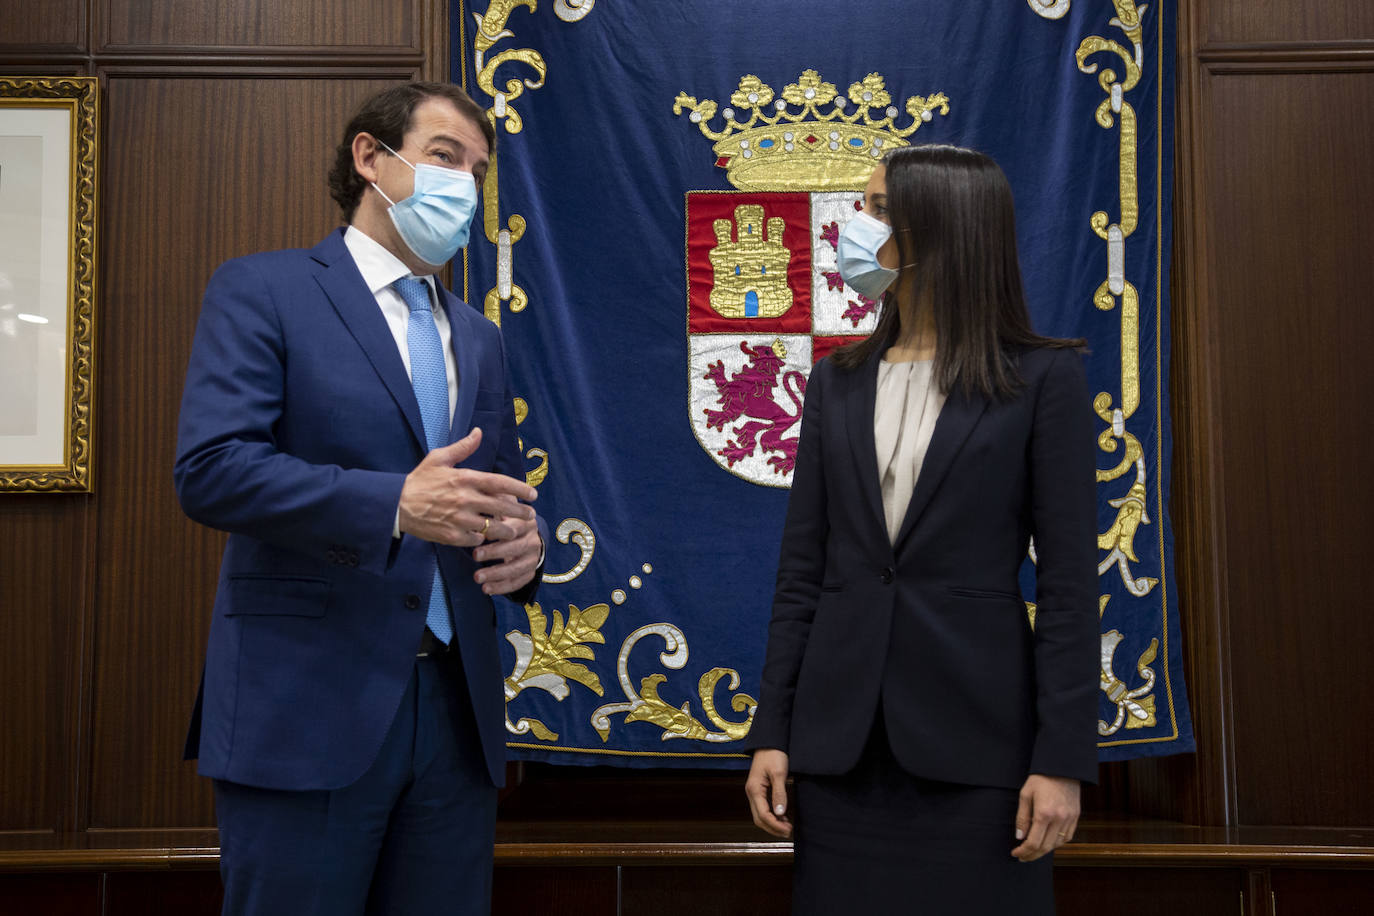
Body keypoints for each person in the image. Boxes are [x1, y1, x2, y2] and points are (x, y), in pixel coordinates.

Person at [174, 81, 547, 916]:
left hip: (456, 720)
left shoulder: (479, 336)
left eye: (477, 172)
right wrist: (392, 505)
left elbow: (489, 497)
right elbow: (211, 469)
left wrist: (525, 551)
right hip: (306, 709)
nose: (463, 185)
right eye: (445, 157)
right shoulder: (264, 289)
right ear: (370, 158)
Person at [743, 145, 1099, 915]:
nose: (855, 224)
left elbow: (1070, 587)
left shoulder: (1042, 380)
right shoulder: (837, 381)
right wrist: (774, 731)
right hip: (841, 757)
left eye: (875, 207)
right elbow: (802, 570)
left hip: (978, 754)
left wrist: (1062, 758)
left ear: (940, 227)